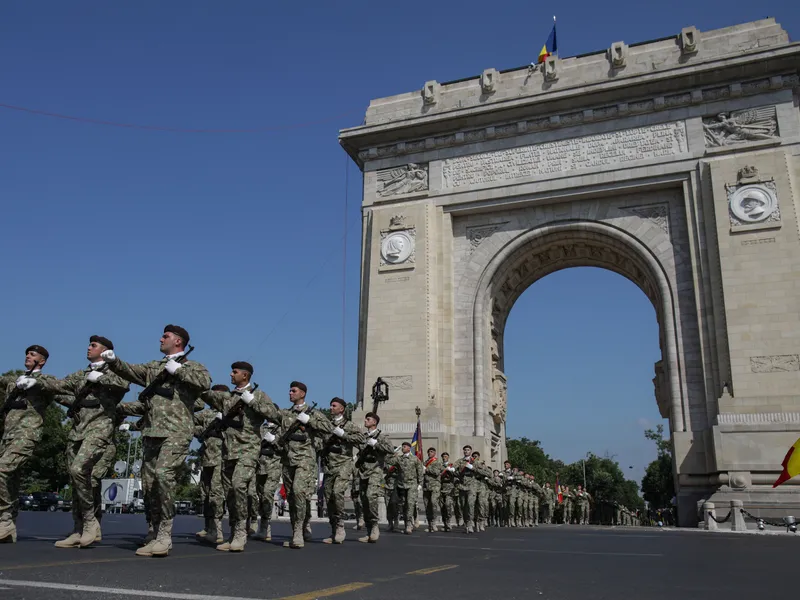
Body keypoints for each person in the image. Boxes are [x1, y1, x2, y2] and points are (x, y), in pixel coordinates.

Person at [102, 324, 211, 557]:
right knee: (149, 485)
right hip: (151, 432)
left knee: (163, 476)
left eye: (166, 336)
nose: (161, 339)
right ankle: (153, 531)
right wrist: (113, 361)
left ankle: (165, 535)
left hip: (177, 432)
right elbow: (131, 371)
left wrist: (178, 371)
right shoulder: (154, 367)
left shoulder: (192, 366)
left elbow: (205, 383)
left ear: (178, 341)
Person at [52, 336, 130, 549]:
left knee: (80, 470)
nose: (88, 347)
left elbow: (124, 385)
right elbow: (59, 385)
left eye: (93, 345)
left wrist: (102, 379)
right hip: (77, 431)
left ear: (105, 351)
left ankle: (90, 521)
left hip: (99, 429)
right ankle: (78, 529)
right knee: (76, 478)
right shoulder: (81, 374)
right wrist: (38, 383)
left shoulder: (114, 373)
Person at [201, 362, 278, 552]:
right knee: (229, 493)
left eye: (234, 372)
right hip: (228, 451)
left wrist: (252, 401)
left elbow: (274, 415)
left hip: (248, 449)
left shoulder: (259, 395)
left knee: (238, 485)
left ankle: (241, 533)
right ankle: (234, 533)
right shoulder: (228, 397)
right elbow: (206, 394)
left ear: (245, 375)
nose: (230, 374)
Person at [0, 345, 60, 543]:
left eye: (32, 354)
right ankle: (7, 523)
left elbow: (56, 387)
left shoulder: (45, 382)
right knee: (11, 479)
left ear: (41, 361)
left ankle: (5, 520)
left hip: (26, 435)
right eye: (27, 353)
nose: (28, 355)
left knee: (2, 470)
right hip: (8, 436)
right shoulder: (15, 381)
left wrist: (34, 382)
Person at [277, 381, 331, 549]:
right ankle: (299, 526)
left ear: (303, 394)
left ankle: (299, 531)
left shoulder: (314, 413)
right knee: (292, 497)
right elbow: (279, 432)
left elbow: (328, 429)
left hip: (305, 459)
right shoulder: (285, 414)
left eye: (294, 391)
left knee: (299, 492)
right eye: (289, 390)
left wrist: (310, 421)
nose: (290, 393)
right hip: (287, 460)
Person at [319, 397, 364, 544]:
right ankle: (334, 530)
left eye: (334, 406)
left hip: (344, 463)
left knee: (338, 491)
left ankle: (340, 526)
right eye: (330, 405)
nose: (331, 408)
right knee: (328, 497)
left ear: (342, 409)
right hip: (329, 465)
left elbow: (361, 439)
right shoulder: (327, 425)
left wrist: (343, 434)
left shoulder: (349, 425)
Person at [193, 384, 228, 545]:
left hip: (222, 458)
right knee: (205, 494)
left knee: (216, 494)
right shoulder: (207, 414)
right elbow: (189, 421)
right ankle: (208, 526)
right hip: (206, 457)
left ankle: (217, 529)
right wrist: (202, 431)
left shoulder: (231, 414)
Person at [355, 412, 393, 543]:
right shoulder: (363, 437)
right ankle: (369, 530)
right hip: (363, 471)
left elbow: (390, 449)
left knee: (371, 496)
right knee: (364, 500)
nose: (365, 421)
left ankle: (375, 525)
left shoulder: (381, 437)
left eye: (368, 419)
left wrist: (375, 444)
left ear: (375, 422)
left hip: (376, 470)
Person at [253, 419, 281, 541]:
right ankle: (262, 525)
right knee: (260, 496)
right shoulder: (260, 427)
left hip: (274, 466)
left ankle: (265, 525)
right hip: (259, 467)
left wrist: (273, 440)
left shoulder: (281, 428)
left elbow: (284, 448)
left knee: (267, 493)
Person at [395, 441, 423, 534]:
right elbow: (389, 461)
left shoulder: (415, 459)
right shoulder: (399, 459)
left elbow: (420, 471)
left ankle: (409, 525)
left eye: (404, 446)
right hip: (402, 485)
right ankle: (407, 522)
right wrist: (394, 452)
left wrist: (420, 484)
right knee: (404, 505)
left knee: (410, 504)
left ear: (409, 448)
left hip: (412, 485)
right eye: (402, 446)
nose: (403, 448)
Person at [454, 445, 478, 533]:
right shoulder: (460, 461)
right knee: (463, 506)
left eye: (468, 450)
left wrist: (473, 468)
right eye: (464, 450)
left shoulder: (475, 461)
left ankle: (470, 523)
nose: (466, 451)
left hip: (471, 486)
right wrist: (453, 470)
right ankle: (466, 522)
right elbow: (454, 469)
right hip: (462, 486)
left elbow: (481, 471)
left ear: (471, 451)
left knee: (470, 505)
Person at [422, 447, 444, 532]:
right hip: (426, 486)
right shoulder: (425, 462)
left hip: (435, 486)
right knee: (427, 505)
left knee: (434, 503)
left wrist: (426, 469)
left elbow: (436, 472)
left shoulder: (437, 461)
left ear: (434, 453)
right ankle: (430, 524)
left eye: (431, 452)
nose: (429, 453)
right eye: (428, 452)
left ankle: (434, 522)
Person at [438, 452, 456, 531]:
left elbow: (456, 474)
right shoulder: (439, 465)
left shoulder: (452, 465)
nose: (444, 457)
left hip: (449, 488)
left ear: (448, 457)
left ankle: (448, 522)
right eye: (443, 456)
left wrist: (451, 471)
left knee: (448, 505)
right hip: (441, 488)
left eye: (446, 456)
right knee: (442, 507)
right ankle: (445, 523)